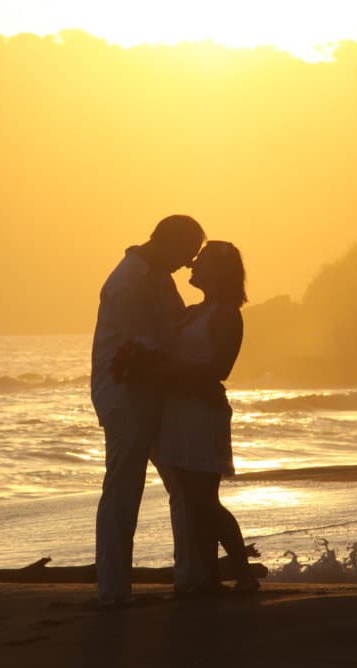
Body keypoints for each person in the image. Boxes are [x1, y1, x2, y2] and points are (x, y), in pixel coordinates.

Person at [90, 214, 205, 608]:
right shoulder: (129, 283)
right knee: (124, 490)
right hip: (126, 397)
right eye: (187, 252)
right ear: (168, 242)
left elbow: (173, 329)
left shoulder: (157, 278)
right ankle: (113, 589)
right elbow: (148, 346)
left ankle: (189, 577)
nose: (188, 263)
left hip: (154, 393)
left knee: (181, 484)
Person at [155, 240, 259, 593]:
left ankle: (243, 573)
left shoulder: (227, 314)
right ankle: (209, 577)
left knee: (204, 500)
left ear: (217, 270)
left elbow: (220, 367)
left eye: (200, 260)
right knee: (191, 501)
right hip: (179, 412)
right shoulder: (193, 312)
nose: (192, 265)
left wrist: (171, 373)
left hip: (202, 413)